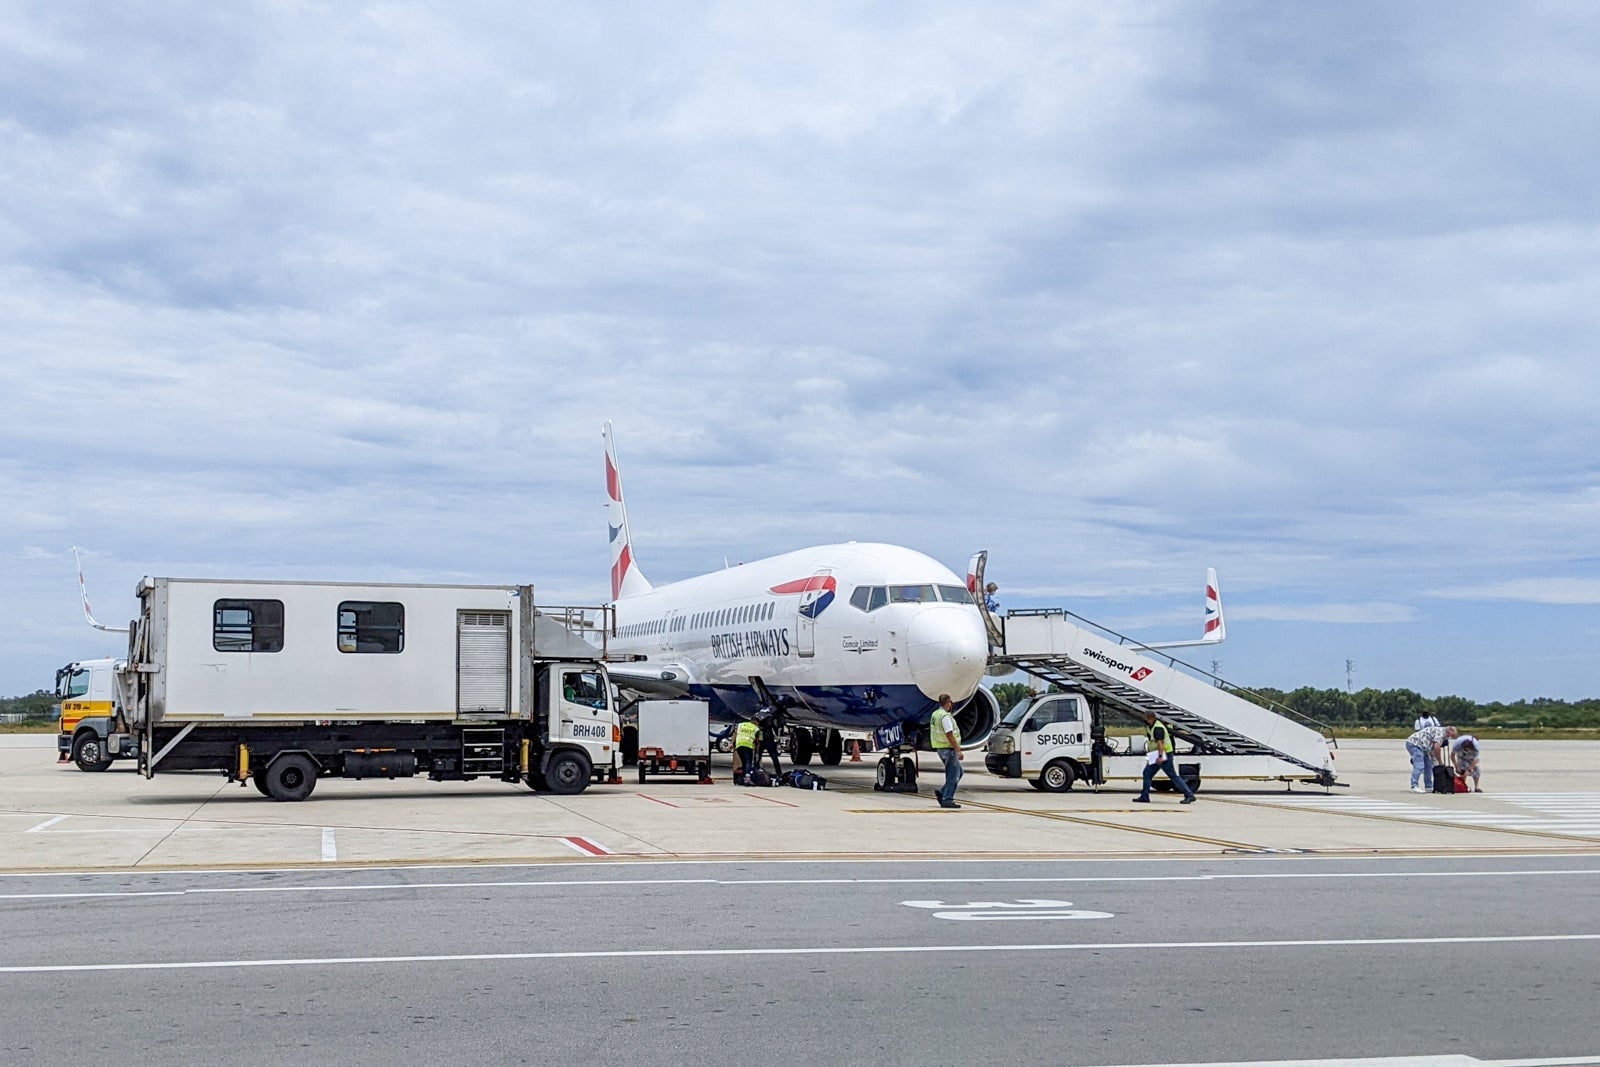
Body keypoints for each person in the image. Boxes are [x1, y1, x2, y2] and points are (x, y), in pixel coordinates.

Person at [1133, 711, 1196, 804]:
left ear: (1149, 718)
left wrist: (1160, 756)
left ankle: (1189, 795)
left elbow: (1161, 743)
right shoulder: (1151, 726)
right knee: (1147, 773)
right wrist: (1151, 757)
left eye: (1145, 718)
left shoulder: (1158, 728)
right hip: (1156, 754)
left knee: (1173, 776)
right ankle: (1144, 796)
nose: (1144, 719)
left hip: (1164, 754)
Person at [930, 693, 963, 809]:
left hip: (940, 747)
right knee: (953, 776)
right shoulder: (945, 716)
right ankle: (947, 799)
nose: (951, 705)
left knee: (959, 772)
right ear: (947, 703)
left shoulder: (935, 714)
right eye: (950, 702)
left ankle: (942, 792)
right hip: (949, 749)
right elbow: (949, 734)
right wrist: (958, 750)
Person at [1404, 723, 1457, 793]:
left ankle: (1428, 786)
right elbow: (1437, 747)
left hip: (1424, 747)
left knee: (1428, 766)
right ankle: (1414, 786)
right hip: (1415, 744)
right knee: (1419, 765)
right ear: (1449, 732)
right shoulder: (1440, 733)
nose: (1449, 738)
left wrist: (1433, 759)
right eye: (1451, 736)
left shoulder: (1440, 732)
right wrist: (1440, 762)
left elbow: (1432, 749)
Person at [755, 707, 784, 776]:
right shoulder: (770, 717)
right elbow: (775, 726)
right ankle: (779, 773)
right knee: (774, 757)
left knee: (757, 756)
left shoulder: (757, 715)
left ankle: (755, 771)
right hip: (769, 738)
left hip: (760, 738)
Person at [734, 716, 761, 785]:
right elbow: (757, 742)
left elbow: (735, 733)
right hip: (748, 746)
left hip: (739, 745)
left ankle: (743, 778)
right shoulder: (756, 729)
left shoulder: (741, 725)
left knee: (743, 762)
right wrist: (757, 753)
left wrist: (732, 743)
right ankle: (747, 778)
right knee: (748, 762)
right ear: (756, 722)